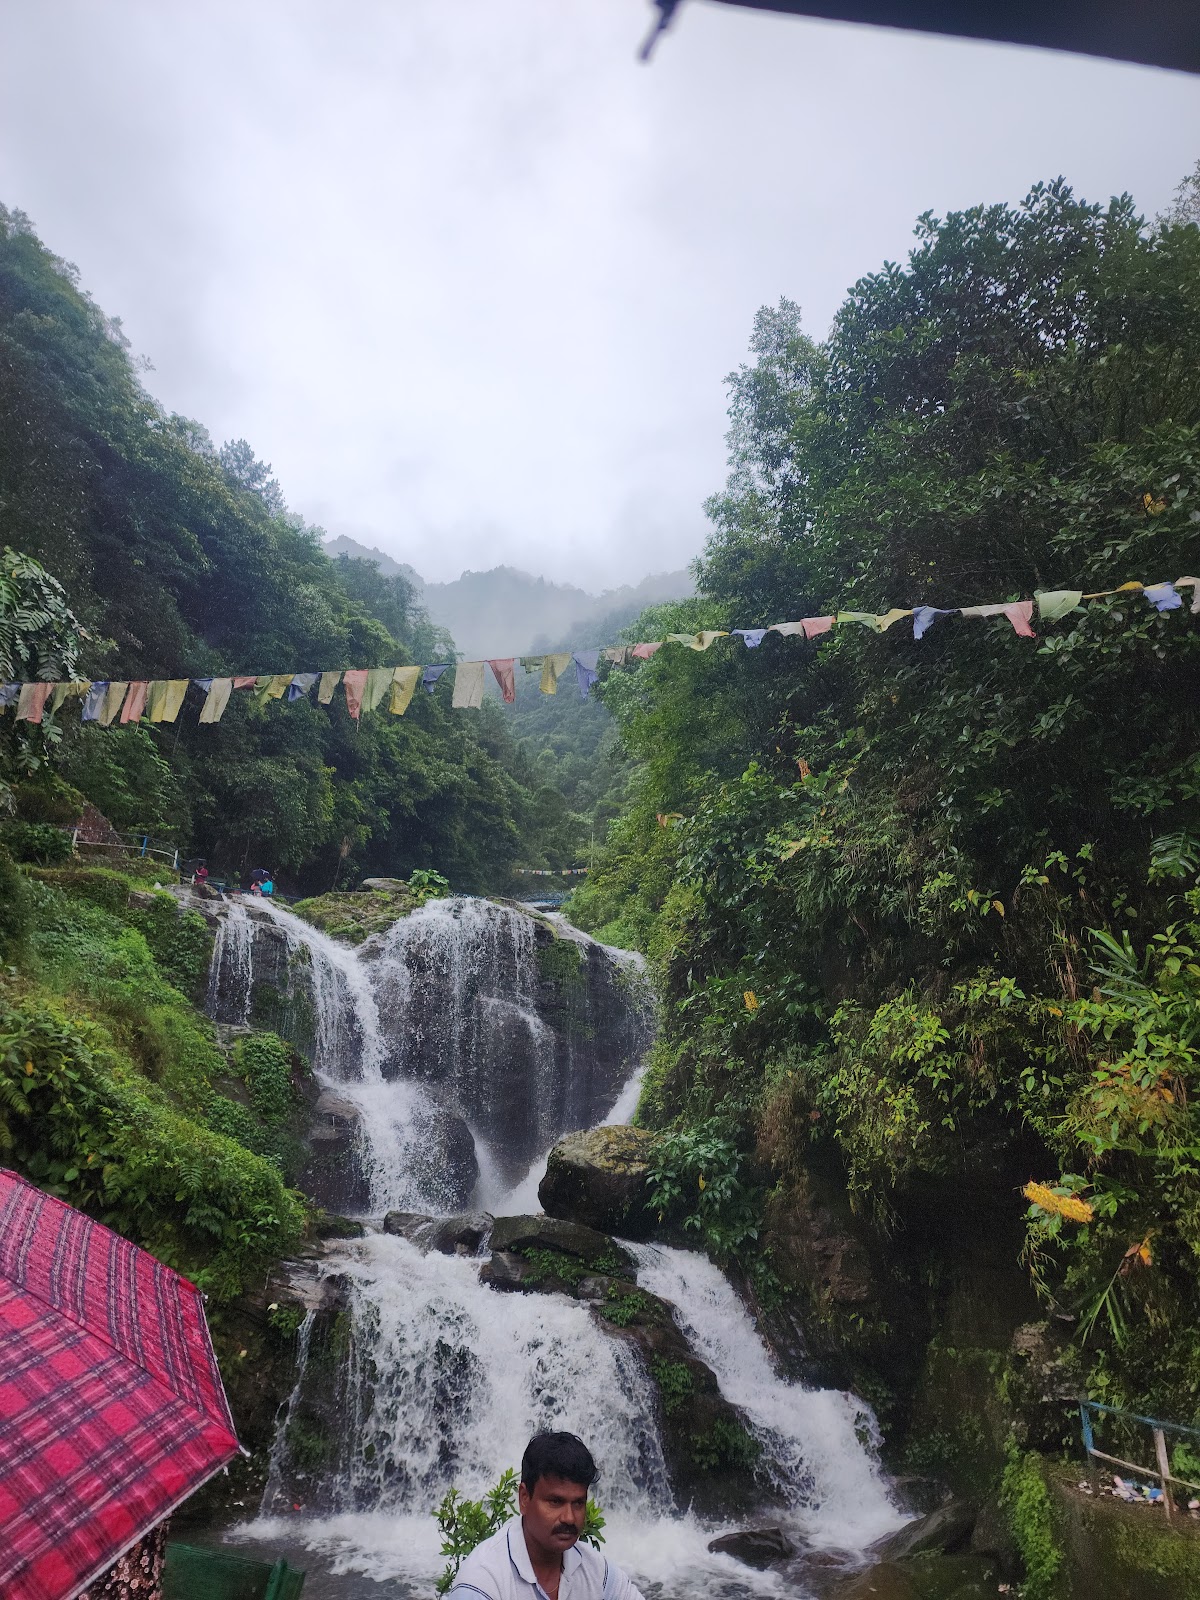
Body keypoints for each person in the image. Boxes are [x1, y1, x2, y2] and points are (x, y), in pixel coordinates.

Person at [448, 1432, 644, 1600]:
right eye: (555, 1502)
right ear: (524, 1498)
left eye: (578, 1503)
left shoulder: (597, 1572)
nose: (569, 1517)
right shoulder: (483, 1583)